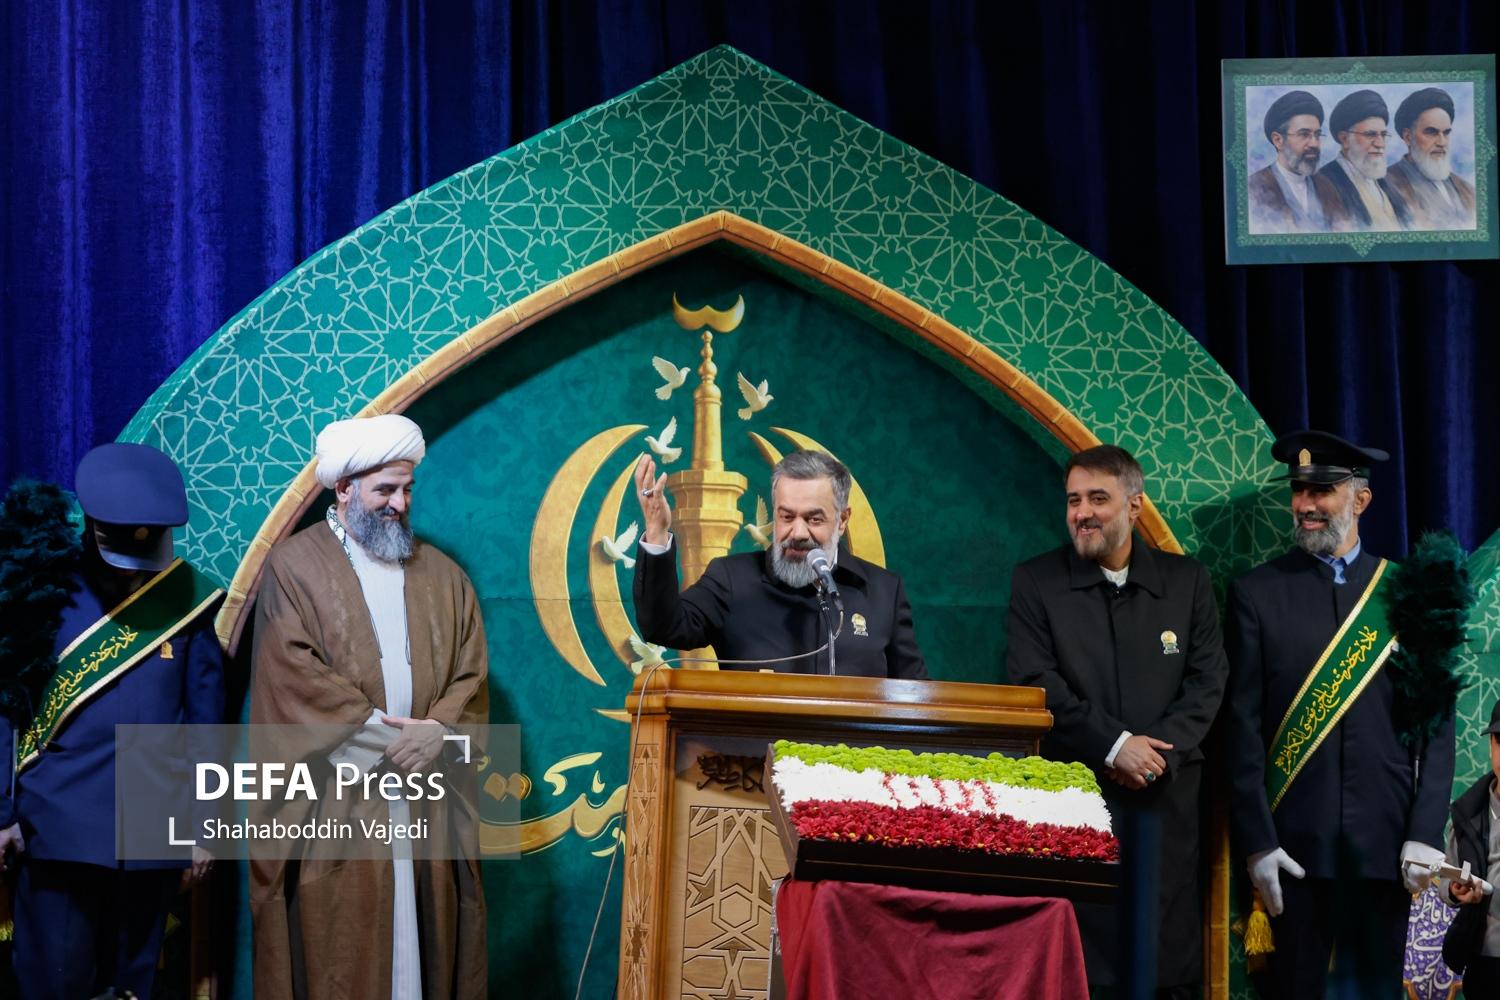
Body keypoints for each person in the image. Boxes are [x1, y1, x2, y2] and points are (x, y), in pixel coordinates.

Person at [249, 413, 487, 1000]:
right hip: (338, 799)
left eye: (407, 489)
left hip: (426, 792)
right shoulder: (295, 568)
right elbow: (291, 674)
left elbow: (470, 676)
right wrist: (385, 738)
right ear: (344, 489)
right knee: (345, 950)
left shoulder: (444, 576)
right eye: (385, 490)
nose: (399, 504)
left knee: (425, 945)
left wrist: (438, 731)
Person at [1225, 430, 1454, 998]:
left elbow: (1437, 727)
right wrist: (1257, 842)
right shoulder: (1256, 593)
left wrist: (1424, 834)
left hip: (1384, 851)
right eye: (1299, 490)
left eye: (1322, 490)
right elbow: (1242, 729)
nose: (1305, 504)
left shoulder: (1407, 593)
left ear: (1361, 499)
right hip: (1290, 853)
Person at [0, 443, 225, 999]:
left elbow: (206, 728)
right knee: (54, 986)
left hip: (154, 830)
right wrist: (2, 814)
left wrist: (206, 825)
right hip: (58, 829)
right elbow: (8, 710)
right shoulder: (40, 592)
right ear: (94, 528)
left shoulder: (187, 600)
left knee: (134, 987)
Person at [1005, 445, 1228, 997]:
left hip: (1167, 800)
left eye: (1098, 498)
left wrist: (1153, 756)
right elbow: (1035, 682)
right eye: (1073, 500)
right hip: (1078, 799)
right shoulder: (1036, 582)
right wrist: (1114, 745)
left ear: (1134, 506)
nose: (1082, 512)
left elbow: (1208, 681)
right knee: (1085, 962)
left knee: (1164, 960)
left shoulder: (1188, 581)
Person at [632, 448, 926, 677]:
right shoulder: (731, 579)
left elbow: (916, 694)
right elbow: (664, 627)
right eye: (786, 517)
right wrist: (657, 533)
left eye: (814, 519)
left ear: (842, 520)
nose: (797, 533)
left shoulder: (884, 591)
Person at [1440, 698, 1500, 994]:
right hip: (1484, 960)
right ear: (1490, 746)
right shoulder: (1468, 812)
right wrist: (1455, 889)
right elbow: (1447, 881)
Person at [1248, 90, 1343, 233]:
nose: (1314, 143)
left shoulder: (1327, 187)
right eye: (1304, 134)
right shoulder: (1254, 188)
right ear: (1278, 140)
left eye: (1317, 135)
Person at [1318, 89, 1412, 231]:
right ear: (1344, 139)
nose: (1380, 144)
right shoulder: (1324, 183)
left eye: (1383, 135)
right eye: (1370, 135)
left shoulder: (1386, 182)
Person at [1385, 87, 1477, 230]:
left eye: (1446, 133)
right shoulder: (1385, 185)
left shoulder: (1467, 189)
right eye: (1431, 132)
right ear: (1408, 137)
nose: (1442, 142)